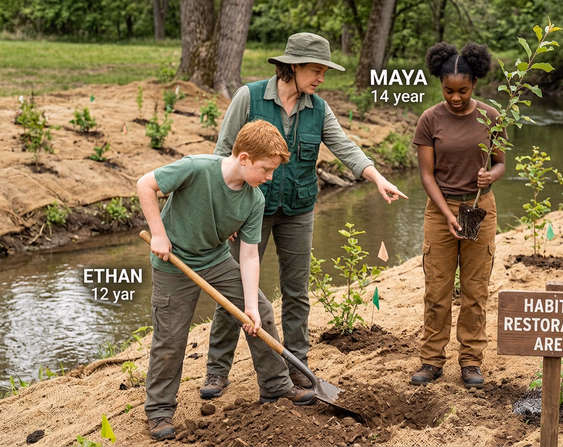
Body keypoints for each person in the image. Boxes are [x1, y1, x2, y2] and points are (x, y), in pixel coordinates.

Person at [204, 32, 407, 397]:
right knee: (234, 291)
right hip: (250, 211)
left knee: (297, 293)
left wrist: (377, 178)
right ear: (292, 66)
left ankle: (296, 366)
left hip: (298, 211)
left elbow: (345, 146)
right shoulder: (248, 98)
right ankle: (217, 370)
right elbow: (223, 155)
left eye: (323, 72)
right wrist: (225, 213)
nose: (321, 78)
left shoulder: (319, 108)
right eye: (315, 70)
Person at [137, 121, 315, 441]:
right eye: (266, 169)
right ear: (244, 158)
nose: (269, 177)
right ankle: (160, 410)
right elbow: (144, 185)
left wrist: (248, 307)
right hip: (172, 264)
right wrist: (159, 235)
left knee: (260, 309)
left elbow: (248, 256)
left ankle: (275, 387)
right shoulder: (196, 168)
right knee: (171, 338)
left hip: (215, 260)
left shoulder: (254, 200)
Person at [410, 41, 505, 389]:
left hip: (479, 207)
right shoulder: (429, 119)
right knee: (437, 288)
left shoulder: (492, 117)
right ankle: (432, 359)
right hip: (440, 210)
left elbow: (500, 164)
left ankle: (471, 361)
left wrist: (489, 176)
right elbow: (426, 174)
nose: (454, 97)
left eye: (462, 91)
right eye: (448, 90)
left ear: (475, 83)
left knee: (475, 289)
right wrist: (445, 212)